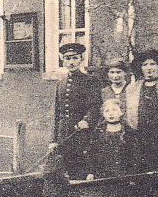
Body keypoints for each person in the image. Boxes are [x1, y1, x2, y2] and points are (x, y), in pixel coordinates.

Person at [55, 42, 101, 176]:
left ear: (81, 59)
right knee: (64, 169)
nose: (71, 62)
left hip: (82, 132)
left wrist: (86, 120)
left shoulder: (90, 81)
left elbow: (94, 106)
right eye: (67, 58)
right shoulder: (61, 83)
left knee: (81, 167)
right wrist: (54, 139)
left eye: (75, 58)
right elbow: (57, 112)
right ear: (63, 61)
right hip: (64, 133)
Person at [126, 49, 158, 171]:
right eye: (145, 65)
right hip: (139, 140)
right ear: (140, 68)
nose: (149, 68)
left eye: (152, 64)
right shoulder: (132, 88)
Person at [84, 98, 143, 180]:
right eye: (107, 111)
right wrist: (91, 172)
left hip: (124, 176)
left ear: (121, 112)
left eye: (114, 110)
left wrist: (132, 175)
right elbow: (91, 153)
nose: (111, 113)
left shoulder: (129, 132)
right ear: (103, 114)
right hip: (102, 176)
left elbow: (135, 156)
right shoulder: (98, 133)